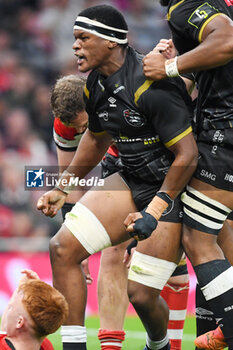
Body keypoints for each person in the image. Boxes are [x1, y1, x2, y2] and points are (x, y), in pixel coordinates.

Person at [37, 4, 198, 350]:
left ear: (111, 42)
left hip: (170, 189)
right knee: (62, 248)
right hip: (129, 177)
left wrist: (155, 210)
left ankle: (160, 345)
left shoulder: (152, 83)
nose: (75, 46)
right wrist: (62, 188)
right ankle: (75, 347)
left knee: (140, 294)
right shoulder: (94, 83)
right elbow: (96, 139)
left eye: (83, 38)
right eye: (75, 38)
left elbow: (187, 156)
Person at [51, 74, 191, 350]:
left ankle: (170, 345)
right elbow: (70, 178)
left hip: (167, 170)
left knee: (169, 271)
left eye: (85, 126)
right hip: (122, 165)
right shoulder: (66, 125)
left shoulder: (132, 101)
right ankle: (111, 346)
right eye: (75, 129)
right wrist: (79, 244)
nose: (81, 133)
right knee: (111, 250)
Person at [143, 1, 233, 349]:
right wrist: (181, 64)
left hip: (222, 135)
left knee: (198, 240)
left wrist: (169, 65)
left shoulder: (188, 5)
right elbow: (215, 63)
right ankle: (217, 330)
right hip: (219, 132)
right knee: (220, 234)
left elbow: (227, 42)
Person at [0, 269, 68, 350]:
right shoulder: (46, 345)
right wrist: (36, 292)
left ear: (19, 322)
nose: (8, 308)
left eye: (10, 307)